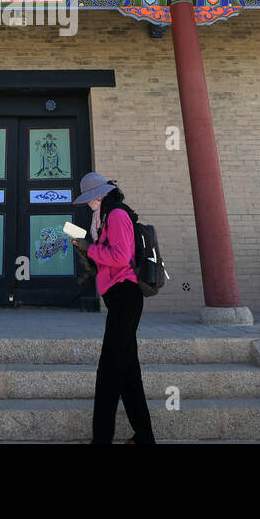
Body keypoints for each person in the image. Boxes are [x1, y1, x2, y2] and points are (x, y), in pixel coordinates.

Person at [73, 172, 155, 445]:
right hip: (117, 297)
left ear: (101, 195)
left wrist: (91, 250)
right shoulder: (104, 217)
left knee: (108, 372)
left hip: (126, 296)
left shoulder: (117, 215)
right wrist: (88, 249)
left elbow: (120, 257)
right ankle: (144, 436)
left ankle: (101, 440)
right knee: (128, 371)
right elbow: (109, 256)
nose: (88, 204)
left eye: (90, 198)